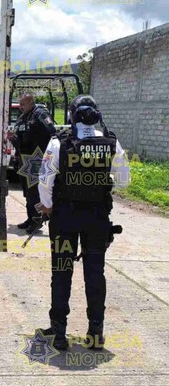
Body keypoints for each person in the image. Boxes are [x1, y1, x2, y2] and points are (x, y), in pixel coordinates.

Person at [36, 95, 130, 350]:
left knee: (62, 272)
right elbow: (123, 181)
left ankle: (59, 333)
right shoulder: (111, 142)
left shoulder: (59, 142)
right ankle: (96, 332)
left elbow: (45, 180)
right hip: (97, 219)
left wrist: (48, 206)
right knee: (95, 274)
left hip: (65, 218)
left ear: (72, 115)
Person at [11, 94, 57, 233]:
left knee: (34, 193)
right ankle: (30, 218)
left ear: (31, 102)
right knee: (27, 192)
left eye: (23, 104)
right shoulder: (24, 117)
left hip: (36, 160)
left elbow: (52, 133)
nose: (20, 107)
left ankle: (37, 220)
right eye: (20, 104)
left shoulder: (40, 115)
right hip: (24, 159)